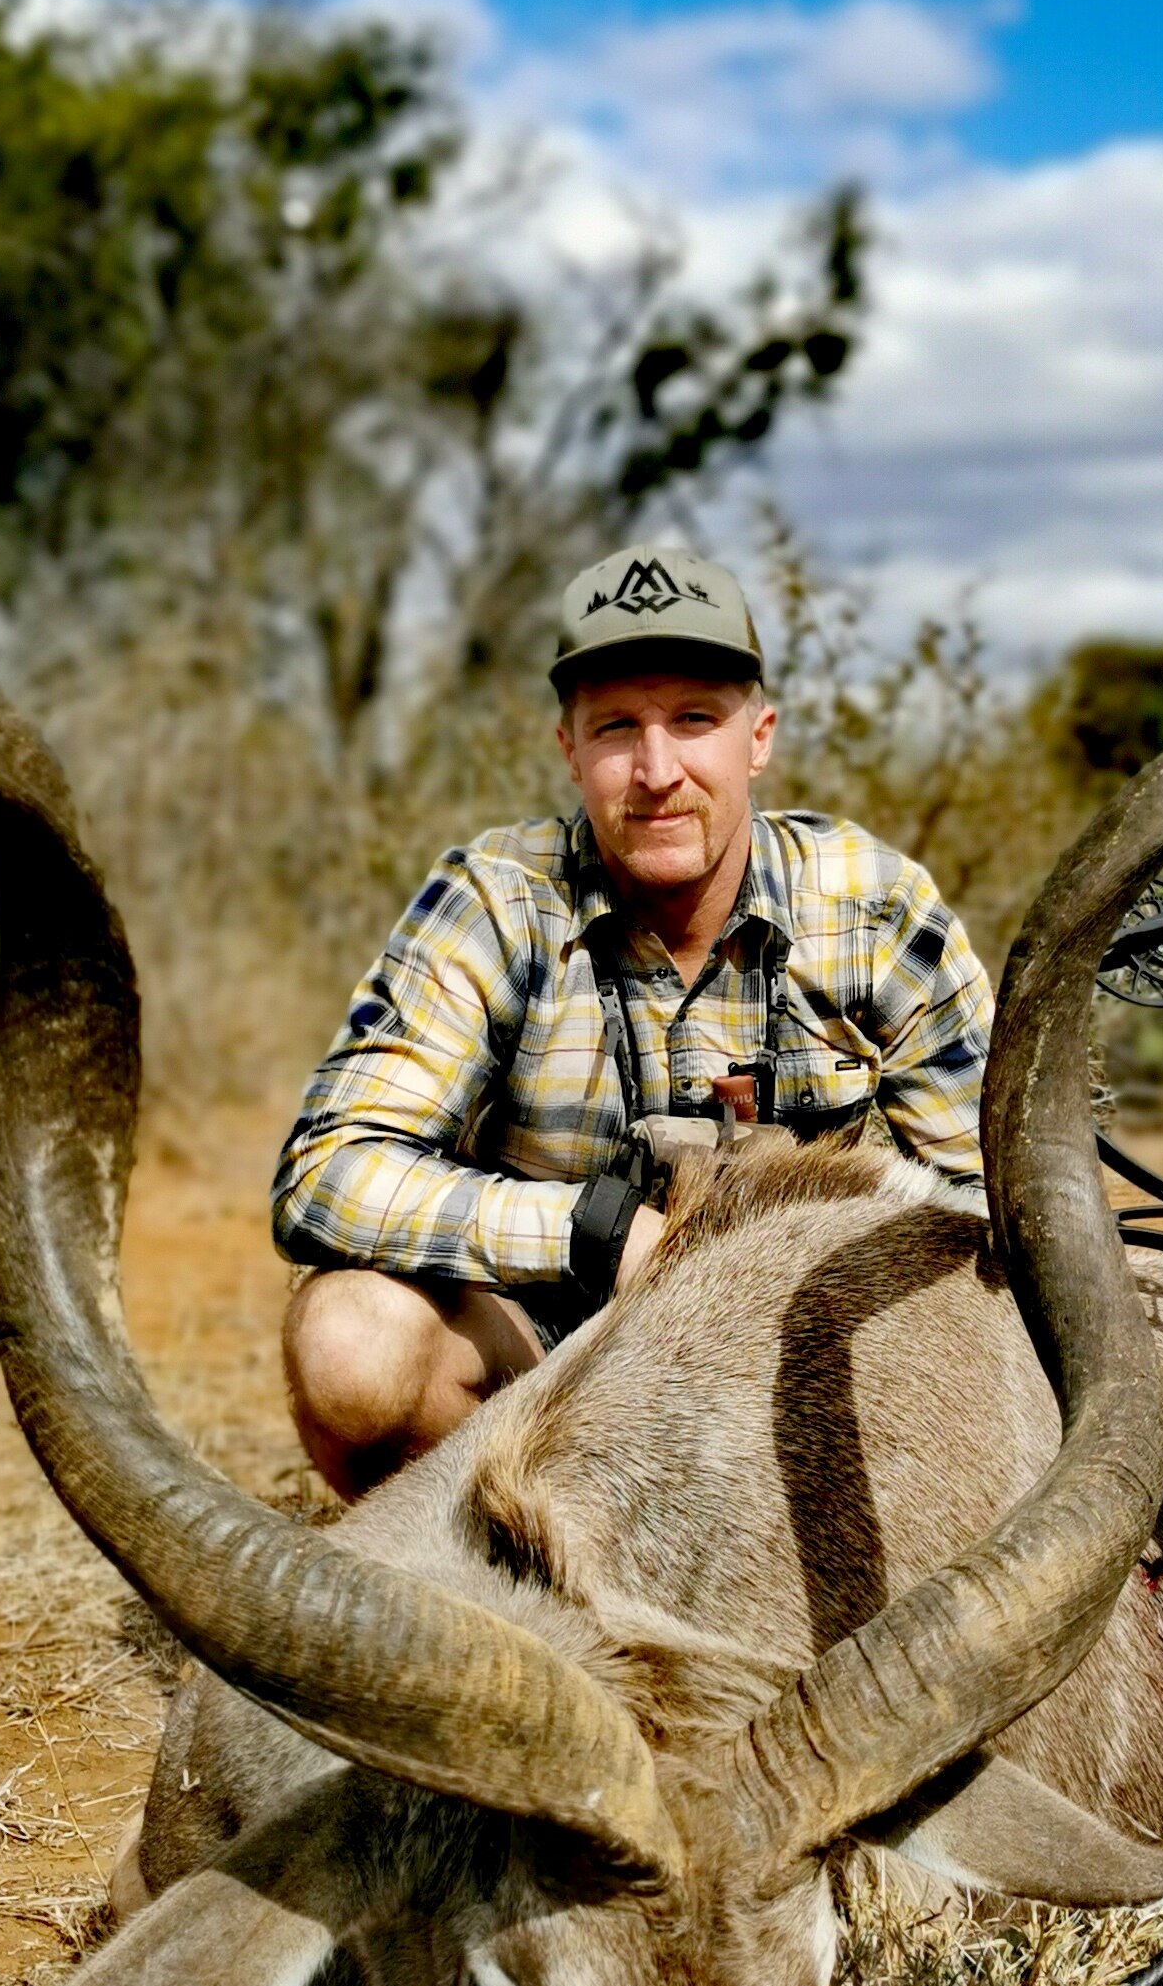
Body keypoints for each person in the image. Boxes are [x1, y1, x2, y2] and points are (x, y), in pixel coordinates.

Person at [272, 539, 994, 1498]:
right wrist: (603, 1235)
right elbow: (328, 1176)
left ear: (760, 736)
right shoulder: (496, 900)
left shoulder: (878, 907)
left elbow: (1000, 1207)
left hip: (814, 1373)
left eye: (696, 718)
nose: (657, 770)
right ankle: (492, 1606)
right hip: (547, 1379)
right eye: (618, 728)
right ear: (569, 748)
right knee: (352, 1346)